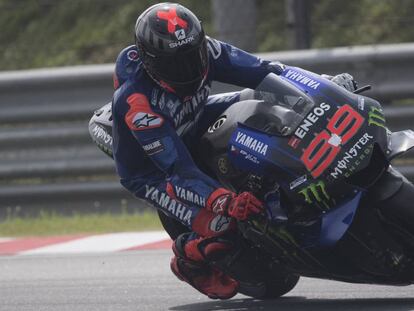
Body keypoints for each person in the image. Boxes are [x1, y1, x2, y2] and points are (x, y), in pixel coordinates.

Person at [110, 2, 357, 299]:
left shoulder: (209, 51)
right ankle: (188, 256)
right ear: (151, 63)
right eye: (174, 64)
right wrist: (224, 200)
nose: (188, 69)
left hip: (194, 116)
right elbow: (178, 169)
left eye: (193, 56)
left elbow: (267, 72)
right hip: (154, 170)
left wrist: (323, 88)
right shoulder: (138, 104)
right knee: (226, 227)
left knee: (261, 98)